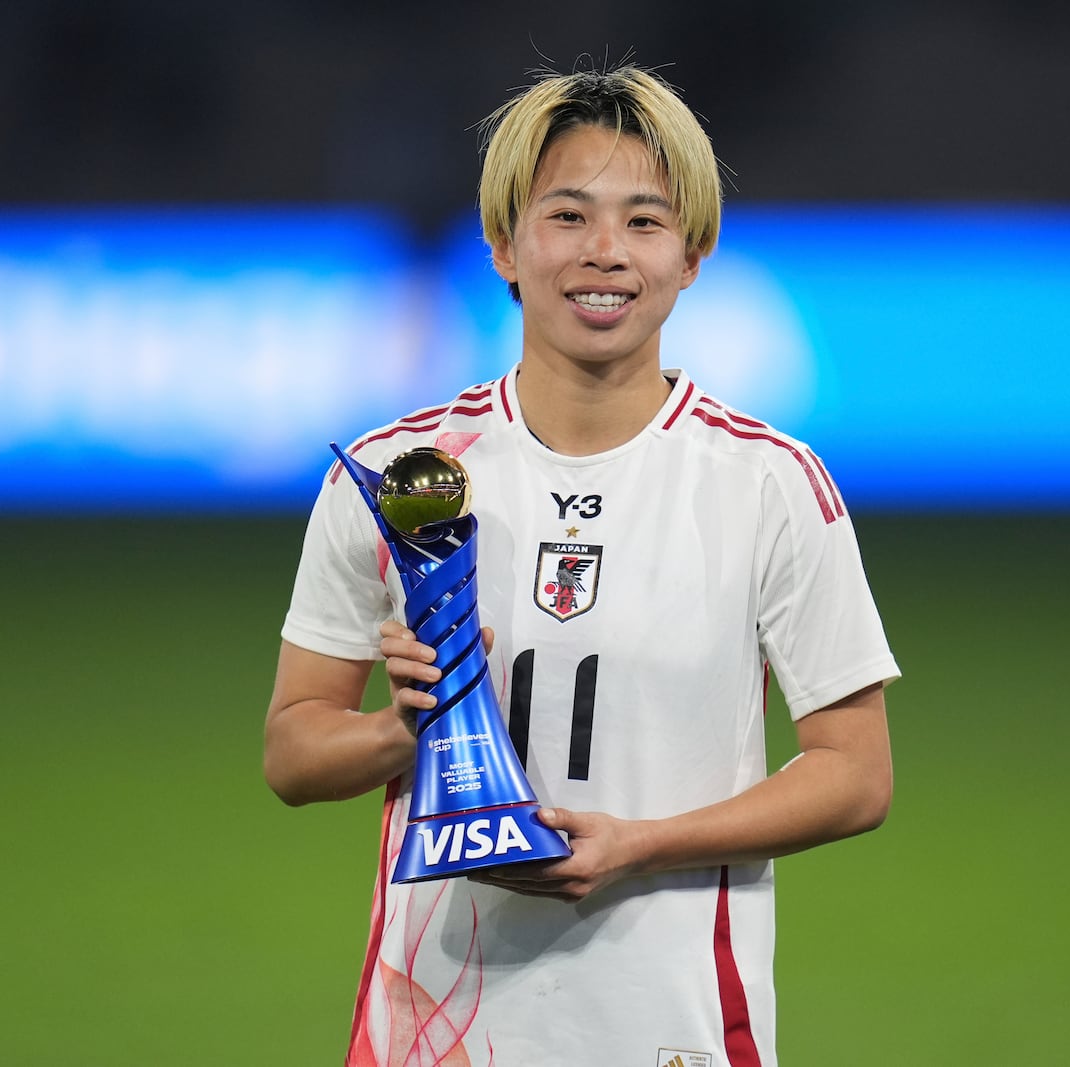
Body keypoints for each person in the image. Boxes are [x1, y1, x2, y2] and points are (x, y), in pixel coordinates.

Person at [264, 62, 899, 1067]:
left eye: (645, 222)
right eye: (568, 215)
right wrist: (400, 727)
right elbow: (293, 754)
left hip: (670, 1033)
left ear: (693, 256)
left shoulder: (769, 482)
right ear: (503, 243)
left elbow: (855, 776)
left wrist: (635, 844)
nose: (606, 253)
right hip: (436, 1032)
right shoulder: (403, 474)